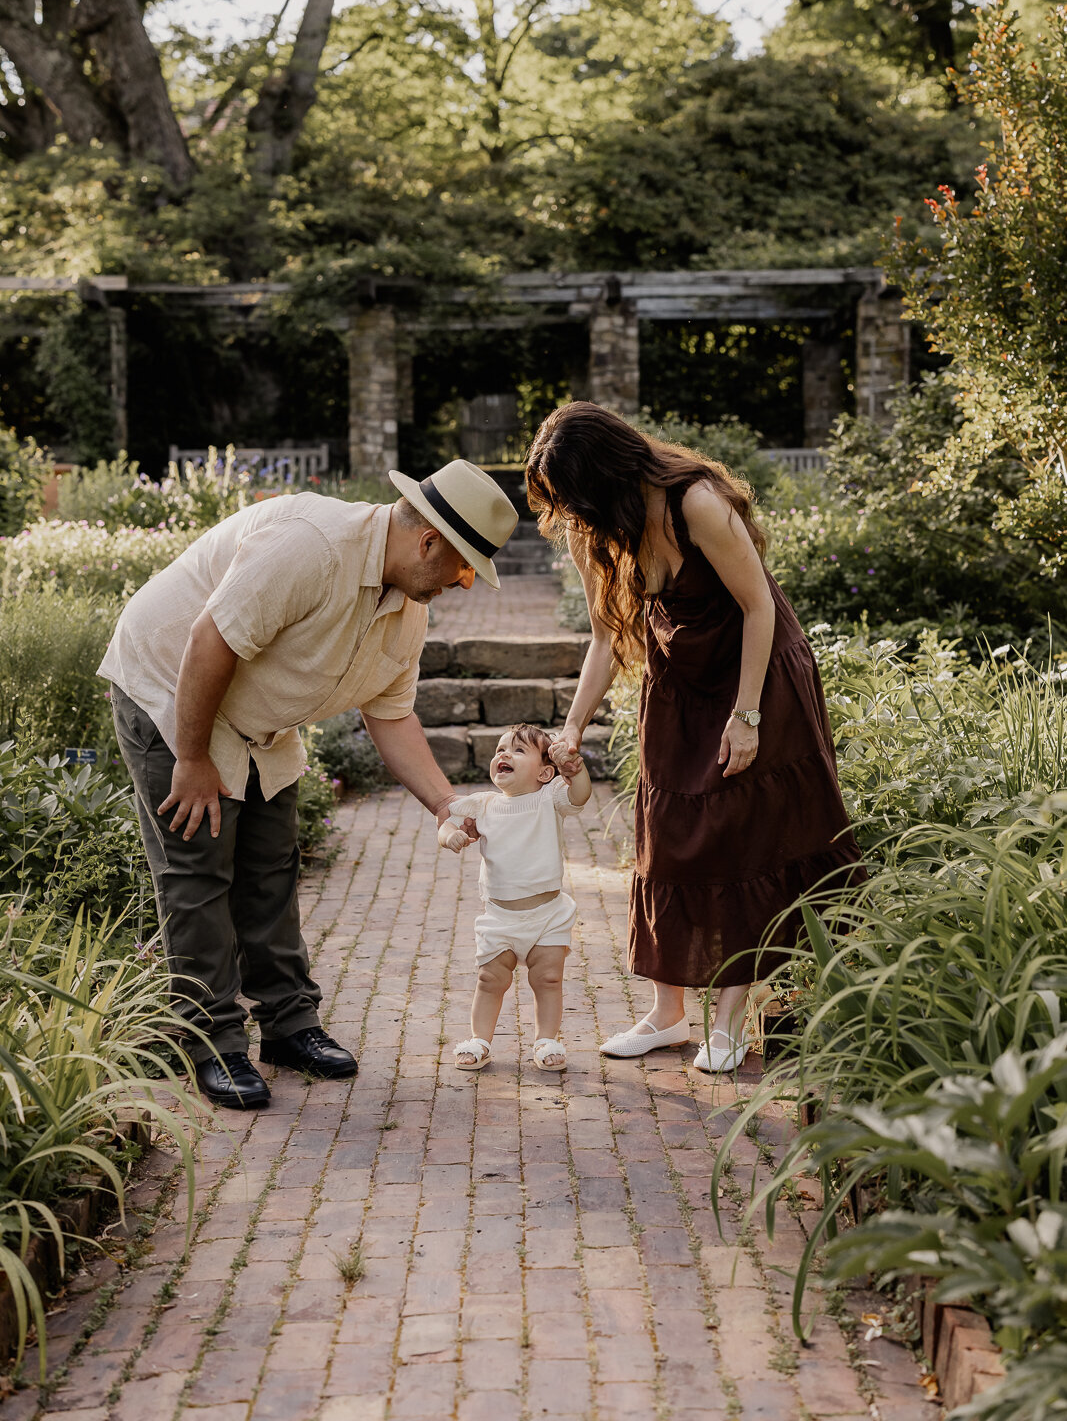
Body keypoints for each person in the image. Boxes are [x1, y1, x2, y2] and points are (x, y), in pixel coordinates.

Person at [100, 459, 518, 1110]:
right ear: (428, 540)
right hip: (173, 689)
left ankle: (289, 1025)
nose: (465, 584)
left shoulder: (407, 608)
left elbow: (392, 713)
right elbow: (208, 640)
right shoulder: (309, 544)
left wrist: (444, 803)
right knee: (199, 867)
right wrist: (190, 758)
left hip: (258, 716)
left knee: (270, 865)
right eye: (464, 567)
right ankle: (209, 1038)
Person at [526, 402, 862, 1073]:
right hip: (678, 677)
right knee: (669, 840)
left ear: (607, 476)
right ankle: (667, 1016)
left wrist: (747, 718)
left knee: (740, 835)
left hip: (753, 672)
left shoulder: (697, 502)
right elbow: (602, 638)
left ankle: (730, 1025)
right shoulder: (591, 527)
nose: (568, 515)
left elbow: (758, 605)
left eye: (574, 499)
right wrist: (570, 725)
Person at [438, 722, 591, 1072]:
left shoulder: (548, 798)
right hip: (500, 918)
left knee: (548, 978)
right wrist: (450, 837)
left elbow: (579, 795)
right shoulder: (484, 804)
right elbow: (445, 818)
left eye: (518, 750)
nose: (503, 754)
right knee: (490, 979)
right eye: (500, 750)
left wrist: (577, 772)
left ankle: (546, 1040)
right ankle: (480, 1040)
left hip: (547, 914)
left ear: (545, 772)